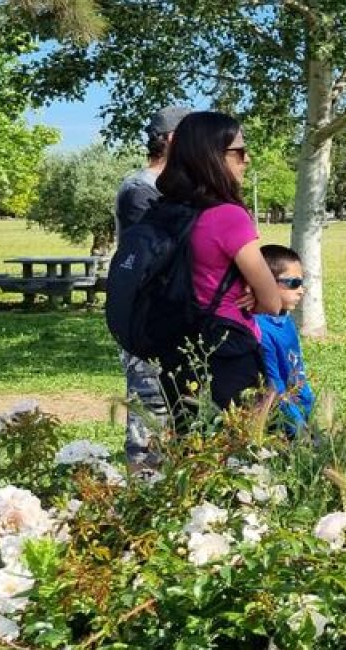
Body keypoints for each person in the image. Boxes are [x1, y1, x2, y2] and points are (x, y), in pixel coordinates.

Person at [152, 111, 284, 423]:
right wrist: (254, 295)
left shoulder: (166, 210)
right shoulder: (228, 216)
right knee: (242, 455)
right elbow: (273, 302)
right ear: (212, 156)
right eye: (239, 151)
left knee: (192, 452)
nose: (246, 159)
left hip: (175, 344)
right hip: (227, 346)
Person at [114, 105, 190, 468]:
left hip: (175, 316)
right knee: (150, 407)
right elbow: (158, 253)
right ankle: (142, 486)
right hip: (146, 319)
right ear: (174, 139)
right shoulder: (139, 190)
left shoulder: (175, 190)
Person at [255, 244, 315, 438]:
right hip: (281, 424)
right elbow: (275, 386)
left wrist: (309, 413)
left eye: (302, 282)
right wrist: (298, 429)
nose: (301, 290)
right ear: (266, 282)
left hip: (301, 413)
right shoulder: (260, 329)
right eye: (294, 283)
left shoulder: (286, 320)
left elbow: (298, 372)